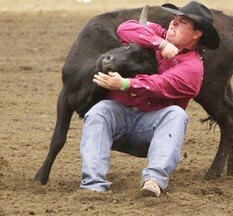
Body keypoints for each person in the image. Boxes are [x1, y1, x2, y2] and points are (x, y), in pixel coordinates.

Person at [80, 1, 220, 198]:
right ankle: (93, 185)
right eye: (175, 19)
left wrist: (124, 84)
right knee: (99, 110)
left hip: (150, 132)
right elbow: (125, 28)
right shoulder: (159, 35)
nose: (173, 23)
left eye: (182, 22)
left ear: (197, 34)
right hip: (120, 116)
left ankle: (154, 180)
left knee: (176, 115)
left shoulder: (193, 69)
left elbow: (160, 85)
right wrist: (161, 44)